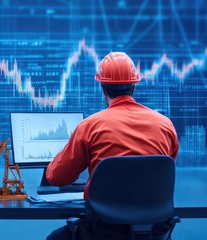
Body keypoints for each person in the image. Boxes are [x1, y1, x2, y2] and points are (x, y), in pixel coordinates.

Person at [45, 52, 179, 240]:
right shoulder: (165, 125)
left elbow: (57, 177)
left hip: (102, 231)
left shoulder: (90, 127)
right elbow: (164, 169)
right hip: (154, 231)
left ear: (103, 88)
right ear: (134, 85)